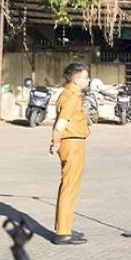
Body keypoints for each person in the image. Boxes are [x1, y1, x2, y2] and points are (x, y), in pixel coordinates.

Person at [49, 63, 92, 245]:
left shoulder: (66, 94)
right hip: (72, 142)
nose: (88, 81)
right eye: (85, 78)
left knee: (68, 186)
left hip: (71, 142)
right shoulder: (72, 97)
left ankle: (64, 226)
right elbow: (61, 123)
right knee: (70, 187)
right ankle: (63, 233)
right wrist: (55, 142)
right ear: (75, 79)